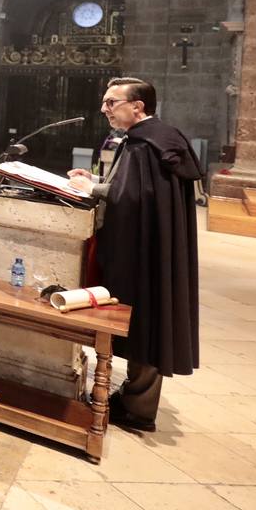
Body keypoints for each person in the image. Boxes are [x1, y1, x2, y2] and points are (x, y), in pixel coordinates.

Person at [67, 77, 201, 432]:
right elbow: (134, 188)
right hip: (150, 245)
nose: (104, 109)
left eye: (112, 102)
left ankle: (138, 408)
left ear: (137, 106)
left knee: (147, 320)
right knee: (146, 318)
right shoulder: (149, 140)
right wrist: (95, 179)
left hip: (145, 251)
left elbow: (133, 198)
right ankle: (134, 398)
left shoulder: (147, 145)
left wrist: (91, 188)